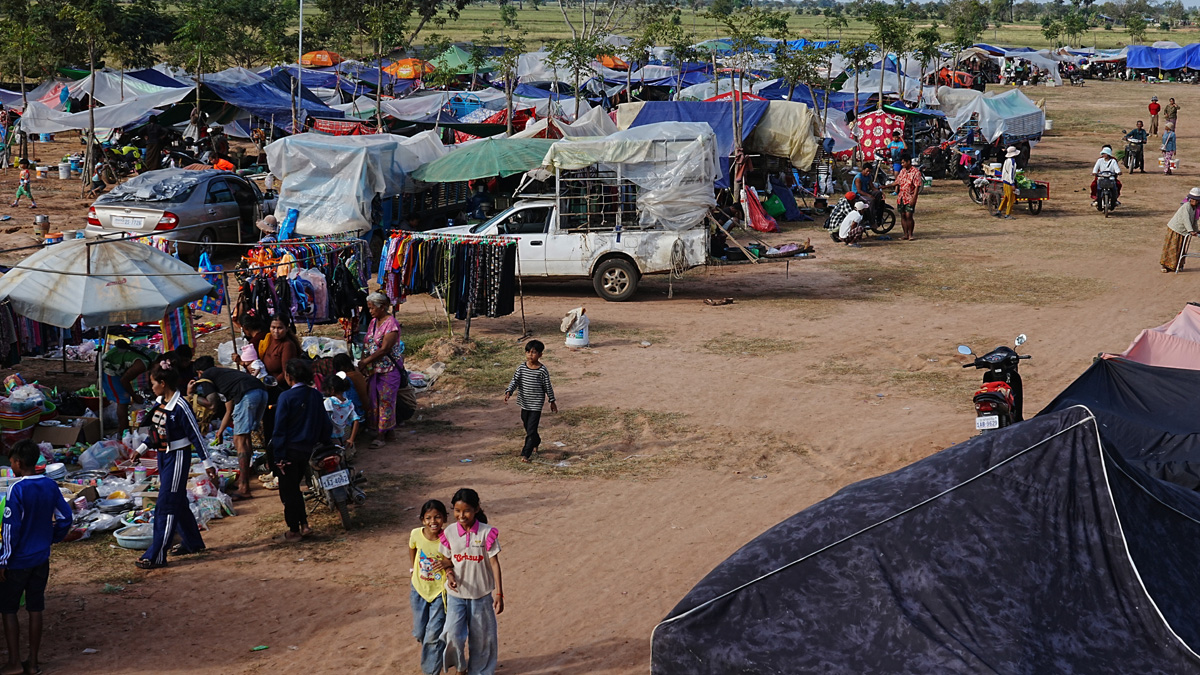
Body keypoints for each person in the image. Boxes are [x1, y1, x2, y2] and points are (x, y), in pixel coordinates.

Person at [133, 366, 219, 569]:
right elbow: (155, 431)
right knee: (177, 500)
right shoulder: (160, 402)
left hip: (178, 457)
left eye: (153, 383)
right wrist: (142, 448)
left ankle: (157, 555)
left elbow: (196, 435)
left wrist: (208, 463)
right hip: (164, 456)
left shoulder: (181, 406)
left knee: (166, 505)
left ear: (163, 384)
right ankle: (192, 543)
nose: (151, 387)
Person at [0, 440, 70, 675]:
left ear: (19, 463)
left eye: (12, 463)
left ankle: (13, 663)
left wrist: (3, 559)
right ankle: (33, 663)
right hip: (41, 558)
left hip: (18, 561)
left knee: (8, 609)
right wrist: (52, 538)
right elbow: (65, 517)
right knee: (35, 608)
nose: (12, 467)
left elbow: (11, 529)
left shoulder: (17, 489)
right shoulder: (50, 485)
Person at [439, 488, 503, 675]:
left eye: (466, 510)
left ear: (476, 509)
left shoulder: (487, 533)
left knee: (482, 638)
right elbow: (447, 562)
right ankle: (460, 667)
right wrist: (449, 574)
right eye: (457, 511)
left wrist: (499, 593)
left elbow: (494, 563)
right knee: (452, 634)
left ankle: (480, 671)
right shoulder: (449, 532)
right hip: (456, 595)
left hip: (481, 595)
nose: (461, 515)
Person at [271, 359, 331, 542]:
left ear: (288, 377)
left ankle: (294, 530)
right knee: (296, 489)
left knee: (289, 492)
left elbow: (280, 429)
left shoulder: (286, 397)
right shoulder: (315, 395)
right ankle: (304, 524)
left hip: (289, 451)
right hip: (308, 450)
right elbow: (324, 423)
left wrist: (279, 456)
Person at [191, 356, 268, 500]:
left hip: (247, 394)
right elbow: (228, 409)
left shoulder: (206, 376)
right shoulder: (224, 375)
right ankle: (243, 480)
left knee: (240, 440)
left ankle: (244, 488)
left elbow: (212, 404)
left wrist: (191, 395)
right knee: (244, 439)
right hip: (260, 391)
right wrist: (220, 432)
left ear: (199, 372)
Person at [359, 293, 405, 449]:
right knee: (374, 399)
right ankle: (388, 431)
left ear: (382, 307)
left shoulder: (391, 324)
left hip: (389, 369)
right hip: (374, 370)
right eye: (369, 308)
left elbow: (385, 349)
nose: (370, 311)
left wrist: (365, 361)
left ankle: (381, 435)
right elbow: (368, 342)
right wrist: (364, 360)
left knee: (386, 400)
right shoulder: (373, 322)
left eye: (372, 308)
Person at [409, 500, 449, 675]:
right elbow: (412, 548)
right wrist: (413, 569)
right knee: (419, 632)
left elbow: (455, 558)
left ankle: (430, 671)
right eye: (429, 518)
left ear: (445, 518)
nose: (434, 521)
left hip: (440, 592)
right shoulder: (416, 534)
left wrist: (448, 563)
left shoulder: (447, 538)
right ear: (422, 520)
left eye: (438, 517)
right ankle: (441, 652)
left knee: (433, 635)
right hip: (418, 589)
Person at [504, 340, 558, 463]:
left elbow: (547, 386)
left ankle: (526, 454)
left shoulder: (542, 370)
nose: (530, 355)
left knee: (531, 429)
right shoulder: (522, 368)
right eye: (528, 352)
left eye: (533, 353)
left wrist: (552, 400)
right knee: (527, 425)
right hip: (524, 402)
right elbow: (515, 381)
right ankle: (536, 440)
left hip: (536, 404)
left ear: (540, 355)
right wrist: (509, 392)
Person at [101, 339, 154, 432]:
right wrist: (134, 396)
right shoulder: (142, 364)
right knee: (123, 401)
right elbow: (124, 380)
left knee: (124, 399)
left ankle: (124, 431)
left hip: (116, 362)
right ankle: (122, 432)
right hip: (109, 368)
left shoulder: (155, 356)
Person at [1160, 188, 1200, 273]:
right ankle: (1165, 265)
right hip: (1176, 228)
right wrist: (1190, 230)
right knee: (1172, 247)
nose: (1195, 202)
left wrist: (1196, 230)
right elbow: (1186, 219)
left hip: (1183, 231)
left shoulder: (1195, 209)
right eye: (1193, 199)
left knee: (1180, 248)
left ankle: (1176, 265)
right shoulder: (1186, 206)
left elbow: (1194, 220)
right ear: (1190, 199)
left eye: (1197, 200)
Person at [886, 155, 924, 240]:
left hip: (910, 197)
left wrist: (914, 198)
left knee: (909, 215)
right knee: (903, 215)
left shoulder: (915, 172)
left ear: (908, 162)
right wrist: (885, 186)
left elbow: (917, 187)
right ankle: (905, 234)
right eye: (901, 163)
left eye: (903, 162)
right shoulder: (902, 171)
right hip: (901, 197)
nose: (902, 164)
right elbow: (897, 182)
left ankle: (910, 234)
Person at [323, 374, 362, 452]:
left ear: (332, 389)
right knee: (345, 450)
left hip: (333, 433)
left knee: (336, 452)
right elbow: (356, 420)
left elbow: (325, 418)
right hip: (345, 431)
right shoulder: (349, 403)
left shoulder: (329, 402)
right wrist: (351, 439)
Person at [259, 317, 302, 382]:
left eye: (280, 328)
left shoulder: (287, 345)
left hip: (279, 384)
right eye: (273, 327)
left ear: (286, 329)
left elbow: (286, 372)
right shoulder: (268, 339)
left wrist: (271, 384)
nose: (276, 331)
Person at [331, 353, 369, 423]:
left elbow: (352, 398)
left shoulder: (347, 378)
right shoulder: (357, 372)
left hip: (358, 410)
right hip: (365, 407)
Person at [996, 145, 1020, 220]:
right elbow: (1011, 174)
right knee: (1011, 199)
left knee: (1006, 197)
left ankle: (999, 210)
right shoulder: (1012, 162)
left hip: (1005, 181)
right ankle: (1007, 214)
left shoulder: (1006, 160)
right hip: (1009, 183)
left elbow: (1004, 172)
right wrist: (1012, 184)